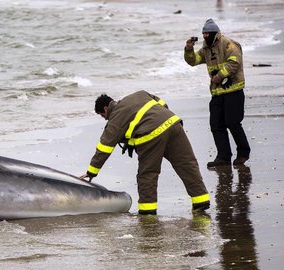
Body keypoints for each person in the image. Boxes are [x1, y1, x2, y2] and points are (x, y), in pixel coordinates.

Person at [79, 90, 210, 215]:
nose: (105, 119)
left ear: (105, 109)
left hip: (151, 136)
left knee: (147, 174)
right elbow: (163, 104)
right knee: (187, 164)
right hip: (173, 124)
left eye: (103, 116)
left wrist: (92, 172)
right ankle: (201, 201)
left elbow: (104, 148)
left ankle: (147, 211)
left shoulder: (115, 117)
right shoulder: (140, 94)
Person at [184, 18, 251, 167]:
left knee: (233, 123)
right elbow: (193, 61)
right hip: (217, 92)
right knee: (216, 124)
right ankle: (223, 157)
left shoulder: (228, 44)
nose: (205, 36)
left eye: (208, 33)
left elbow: (234, 62)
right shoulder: (205, 48)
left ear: (215, 33)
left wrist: (219, 76)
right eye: (203, 34)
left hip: (233, 90)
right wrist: (188, 49)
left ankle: (243, 153)